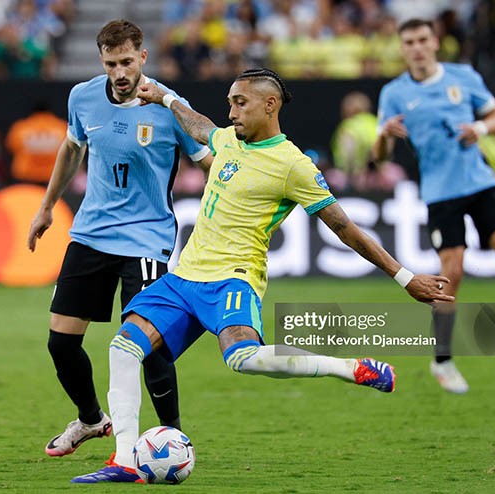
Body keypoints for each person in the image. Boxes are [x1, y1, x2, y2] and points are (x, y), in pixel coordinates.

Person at [71, 67, 454, 483]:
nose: (231, 111)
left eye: (240, 102)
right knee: (123, 347)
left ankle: (348, 367)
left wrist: (404, 276)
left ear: (270, 105)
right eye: (230, 103)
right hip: (184, 277)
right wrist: (165, 98)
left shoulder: (294, 166)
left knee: (242, 358)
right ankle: (125, 460)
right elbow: (201, 127)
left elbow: (344, 227)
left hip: (233, 279)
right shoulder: (229, 139)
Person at [27, 19, 213, 459]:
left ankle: (173, 437)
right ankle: (91, 419)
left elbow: (209, 161)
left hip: (147, 241)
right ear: (102, 62)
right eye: (112, 64)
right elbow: (72, 149)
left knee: (147, 344)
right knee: (61, 343)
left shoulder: (170, 106)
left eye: (128, 61)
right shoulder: (83, 97)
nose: (120, 72)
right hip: (91, 234)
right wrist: (47, 206)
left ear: (143, 57)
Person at [372, 19, 495, 395]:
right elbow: (379, 157)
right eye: (409, 42)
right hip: (441, 193)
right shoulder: (394, 93)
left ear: (435, 42)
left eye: (423, 39)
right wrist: (382, 136)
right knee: (452, 273)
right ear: (402, 48)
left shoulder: (463, 76)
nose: (417, 47)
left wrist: (481, 129)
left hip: (480, 183)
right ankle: (442, 360)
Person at [5, 101, 67, 184]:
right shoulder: (61, 127)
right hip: (54, 175)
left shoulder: (21, 127)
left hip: (26, 175)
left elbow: (11, 147)